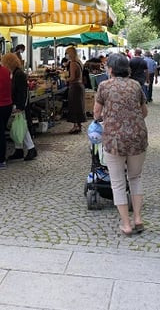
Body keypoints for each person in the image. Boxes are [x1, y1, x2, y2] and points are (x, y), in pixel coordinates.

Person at [93, 53, 148, 236]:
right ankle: (138, 218)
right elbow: (144, 112)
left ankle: (126, 224)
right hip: (137, 137)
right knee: (135, 178)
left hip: (114, 139)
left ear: (110, 69)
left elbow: (96, 113)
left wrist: (105, 118)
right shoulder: (136, 85)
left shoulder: (104, 86)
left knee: (117, 183)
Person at [2, 53, 37, 161]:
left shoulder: (19, 74)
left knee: (22, 127)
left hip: (19, 105)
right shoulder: (15, 73)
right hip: (17, 103)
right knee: (18, 126)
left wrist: (20, 106)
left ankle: (31, 149)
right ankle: (19, 149)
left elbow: (22, 92)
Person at [64, 46, 86, 134]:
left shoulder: (73, 63)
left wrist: (65, 79)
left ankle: (75, 126)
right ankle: (79, 125)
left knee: (74, 106)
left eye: (67, 53)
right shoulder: (79, 61)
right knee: (79, 106)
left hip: (75, 86)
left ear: (70, 54)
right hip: (80, 86)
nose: (66, 55)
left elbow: (72, 77)